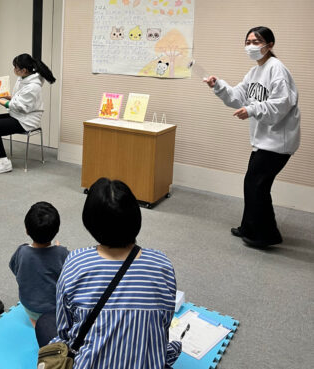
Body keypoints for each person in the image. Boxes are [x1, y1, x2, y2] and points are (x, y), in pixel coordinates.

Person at [36, 178, 182, 368]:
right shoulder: (161, 264)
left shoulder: (76, 262)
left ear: (90, 223)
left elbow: (65, 332)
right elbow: (163, 326)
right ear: (136, 218)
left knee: (45, 322)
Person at [205, 26, 301, 247]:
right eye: (248, 42)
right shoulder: (255, 72)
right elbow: (238, 96)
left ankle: (266, 235)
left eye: (256, 42)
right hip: (264, 140)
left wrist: (253, 110)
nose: (251, 46)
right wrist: (218, 86)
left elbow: (282, 104)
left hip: (279, 141)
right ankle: (249, 227)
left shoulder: (277, 69)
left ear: (270, 45)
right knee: (253, 183)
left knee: (256, 185)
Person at [0, 53, 56, 174]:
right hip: (17, 115)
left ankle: (4, 163)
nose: (14, 70)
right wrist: (1, 95)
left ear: (24, 70)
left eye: (16, 68)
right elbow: (16, 99)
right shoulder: (22, 79)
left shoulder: (33, 87)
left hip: (26, 120)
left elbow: (19, 106)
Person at [9, 202, 68, 327]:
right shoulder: (62, 253)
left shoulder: (22, 251)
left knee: (36, 321)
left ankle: (36, 324)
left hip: (29, 306)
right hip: (54, 308)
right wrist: (58, 250)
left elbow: (14, 268)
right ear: (56, 230)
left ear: (26, 230)